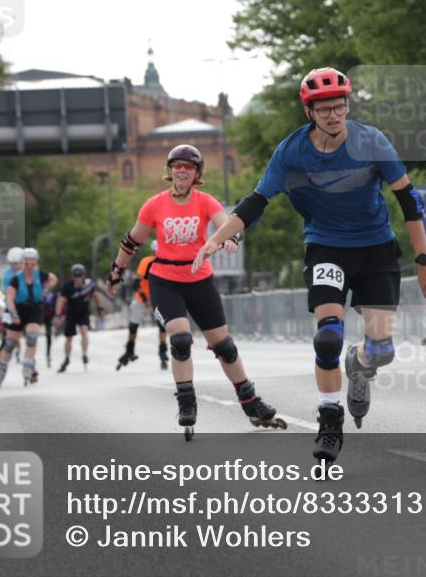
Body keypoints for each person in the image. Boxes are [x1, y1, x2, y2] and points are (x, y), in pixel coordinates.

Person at [200, 66, 426, 461]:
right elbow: (256, 202)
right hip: (326, 247)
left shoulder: (372, 142)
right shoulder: (291, 152)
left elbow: (409, 201)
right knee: (327, 336)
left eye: (339, 106)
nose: (334, 114)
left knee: (381, 349)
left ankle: (360, 365)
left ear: (347, 105)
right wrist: (215, 238)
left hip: (377, 249)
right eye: (324, 108)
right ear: (309, 112)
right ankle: (330, 421)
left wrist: (424, 261)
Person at [107, 144, 285, 439]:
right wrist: (116, 270)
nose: (181, 170)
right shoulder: (154, 205)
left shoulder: (205, 201)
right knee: (180, 339)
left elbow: (227, 224)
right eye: (176, 165)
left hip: (199, 279)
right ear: (169, 170)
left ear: (196, 174)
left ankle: (250, 401)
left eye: (188, 167)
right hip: (165, 280)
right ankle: (186, 402)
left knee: (224, 347)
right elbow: (131, 241)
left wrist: (232, 239)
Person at [0, 248, 58, 388]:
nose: (29, 267)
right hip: (17, 309)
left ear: (36, 264)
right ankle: (0, 371)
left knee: (32, 337)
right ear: (22, 264)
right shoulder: (14, 278)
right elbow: (9, 298)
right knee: (9, 343)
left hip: (35, 309)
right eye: (26, 264)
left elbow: (53, 278)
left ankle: (28, 365)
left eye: (32, 264)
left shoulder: (40, 275)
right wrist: (14, 314)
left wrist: (46, 288)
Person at [117, 240, 169, 371]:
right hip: (142, 298)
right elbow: (136, 284)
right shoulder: (146, 262)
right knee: (133, 325)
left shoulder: (167, 261)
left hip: (158, 298)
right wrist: (146, 299)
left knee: (162, 325)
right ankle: (130, 349)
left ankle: (163, 352)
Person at [55, 264, 105, 373]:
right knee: (69, 338)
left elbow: (97, 296)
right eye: (75, 276)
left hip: (83, 314)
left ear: (83, 275)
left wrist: (100, 309)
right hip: (71, 314)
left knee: (84, 332)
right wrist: (58, 315)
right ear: (72, 276)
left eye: (79, 276)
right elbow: (61, 301)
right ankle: (67, 358)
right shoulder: (67, 286)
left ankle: (84, 353)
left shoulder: (89, 284)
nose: (77, 278)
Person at [1, 247, 24, 363]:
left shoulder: (26, 271)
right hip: (10, 307)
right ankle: (2, 362)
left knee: (26, 335)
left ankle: (21, 353)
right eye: (12, 263)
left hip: (24, 307)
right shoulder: (7, 273)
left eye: (17, 263)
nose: (14, 266)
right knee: (8, 335)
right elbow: (7, 292)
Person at [42, 287, 58, 368]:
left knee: (49, 337)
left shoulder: (53, 296)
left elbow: (57, 307)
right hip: (40, 317)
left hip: (49, 318)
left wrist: (57, 316)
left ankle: (48, 355)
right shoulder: (39, 295)